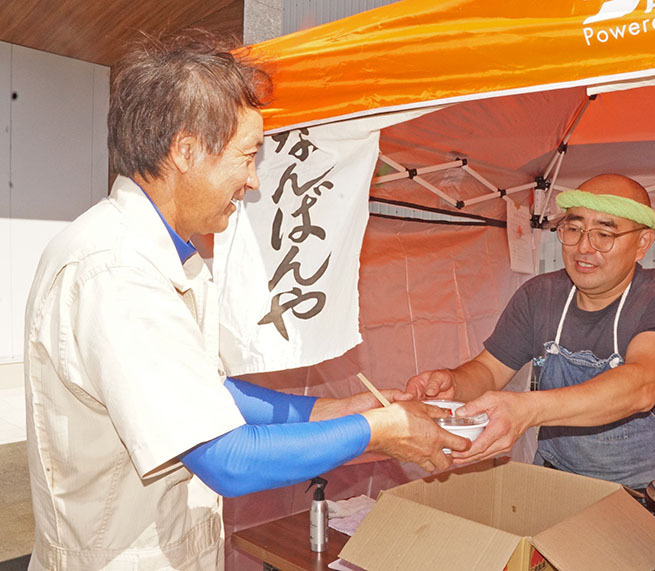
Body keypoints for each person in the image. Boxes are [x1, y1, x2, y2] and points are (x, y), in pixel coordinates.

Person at [23, 32, 468, 571]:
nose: (254, 182)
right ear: (185, 151)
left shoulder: (160, 253)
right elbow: (228, 460)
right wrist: (384, 429)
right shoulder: (116, 270)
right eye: (248, 156)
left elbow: (206, 391)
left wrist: (339, 409)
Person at [406, 174, 655, 492]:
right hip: (555, 479)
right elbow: (489, 371)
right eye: (573, 229)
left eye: (604, 234)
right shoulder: (540, 295)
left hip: (646, 490)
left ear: (642, 243)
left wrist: (527, 409)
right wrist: (454, 385)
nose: (584, 247)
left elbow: (643, 384)